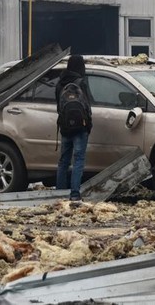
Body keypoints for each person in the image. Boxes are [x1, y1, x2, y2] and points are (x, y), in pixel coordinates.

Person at [54, 55, 93, 201]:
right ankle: (75, 194)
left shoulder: (60, 83)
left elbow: (58, 106)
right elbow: (88, 105)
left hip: (65, 127)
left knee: (63, 160)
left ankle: (59, 193)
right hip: (80, 129)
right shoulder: (81, 82)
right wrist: (88, 124)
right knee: (78, 160)